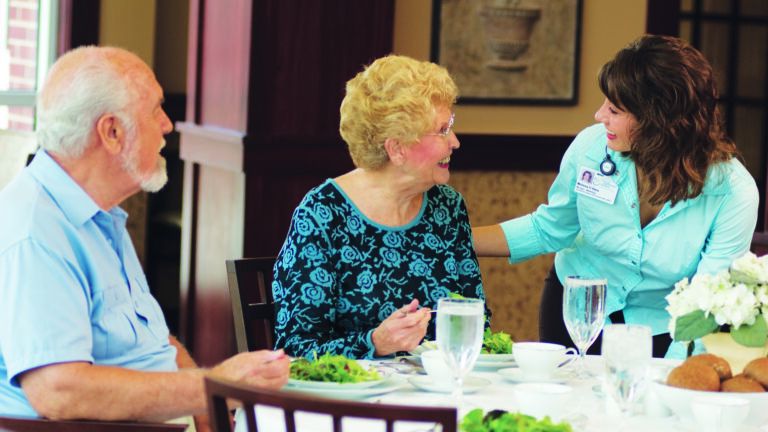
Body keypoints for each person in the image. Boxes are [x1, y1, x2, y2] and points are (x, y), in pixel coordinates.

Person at [0, 46, 290, 425]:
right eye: (155, 109)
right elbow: (58, 390)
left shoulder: (98, 214)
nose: (168, 124)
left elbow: (155, 342)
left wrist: (207, 407)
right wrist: (214, 385)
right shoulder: (35, 232)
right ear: (113, 132)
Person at [472, 35, 759, 358]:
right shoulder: (591, 149)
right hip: (577, 313)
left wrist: (672, 373)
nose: (598, 116)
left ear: (659, 121)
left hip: (662, 329)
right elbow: (548, 229)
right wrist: (452, 239)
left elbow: (707, 299)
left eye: (614, 109)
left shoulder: (733, 193)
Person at [272, 55, 487, 359]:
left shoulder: (447, 208)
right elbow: (296, 349)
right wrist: (375, 342)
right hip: (351, 402)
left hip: (436, 393)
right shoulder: (322, 214)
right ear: (397, 148)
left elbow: (476, 319)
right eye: (441, 130)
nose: (454, 141)